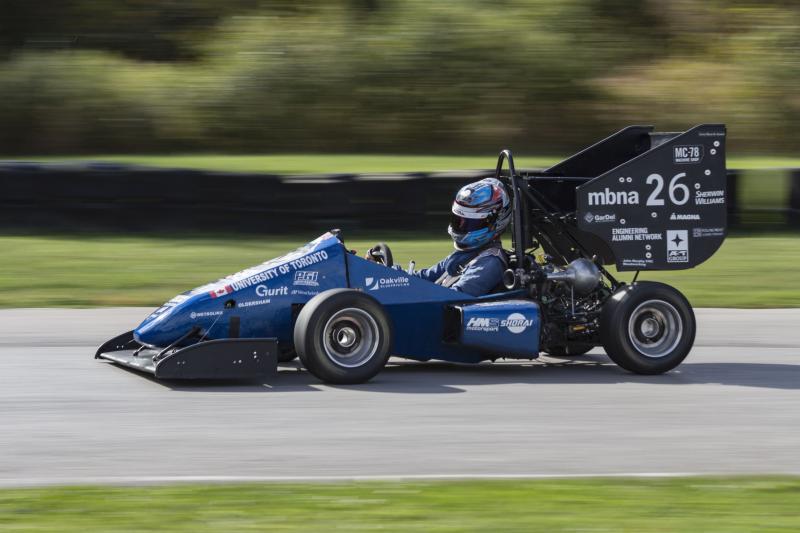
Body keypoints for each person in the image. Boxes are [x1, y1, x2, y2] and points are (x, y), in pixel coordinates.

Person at [391, 177, 512, 296]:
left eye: (470, 222)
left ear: (495, 221)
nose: (461, 226)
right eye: (459, 221)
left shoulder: (490, 263)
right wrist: (388, 272)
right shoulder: (464, 255)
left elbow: (454, 297)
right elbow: (422, 278)